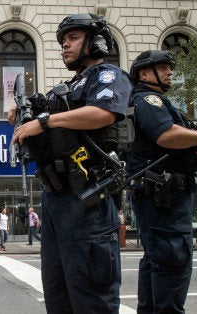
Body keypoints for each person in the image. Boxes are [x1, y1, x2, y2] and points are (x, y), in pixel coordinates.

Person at [10, 13, 131, 312]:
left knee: (91, 298)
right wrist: (24, 115)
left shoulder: (108, 75)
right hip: (56, 198)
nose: (65, 46)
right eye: (63, 41)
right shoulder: (64, 89)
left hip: (87, 197)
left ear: (95, 42)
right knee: (58, 294)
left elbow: (103, 112)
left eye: (73, 38)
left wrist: (44, 121)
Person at [126, 49, 197, 313]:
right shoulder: (148, 99)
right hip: (164, 198)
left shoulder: (152, 100)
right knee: (173, 260)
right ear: (144, 73)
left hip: (160, 196)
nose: (169, 72)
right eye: (162, 68)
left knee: (158, 261)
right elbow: (165, 135)